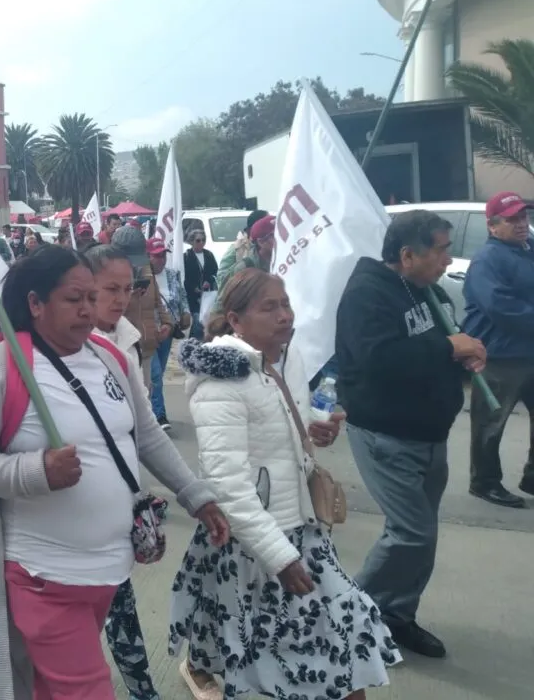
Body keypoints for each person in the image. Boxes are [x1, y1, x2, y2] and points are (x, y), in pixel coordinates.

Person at [0, 245, 228, 700]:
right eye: (75, 299)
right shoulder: (1, 367)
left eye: (92, 297)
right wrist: (36, 471)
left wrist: (196, 495)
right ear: (36, 304)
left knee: (50, 689)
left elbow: (147, 435)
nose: (89, 310)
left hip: (108, 572)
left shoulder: (108, 356)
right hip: (43, 576)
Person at [171, 268, 400, 700]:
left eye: (286, 304)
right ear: (236, 320)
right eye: (269, 307)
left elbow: (282, 417)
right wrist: (280, 557)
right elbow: (227, 485)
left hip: (301, 524)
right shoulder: (222, 382)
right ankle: (200, 666)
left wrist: (314, 426)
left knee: (339, 642)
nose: (283, 315)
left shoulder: (280, 357)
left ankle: (201, 663)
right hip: (258, 538)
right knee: (249, 629)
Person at [336, 209, 486, 658]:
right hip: (386, 433)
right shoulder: (367, 294)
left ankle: (395, 617)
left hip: (429, 432)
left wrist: (465, 352)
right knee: (411, 533)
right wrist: (446, 348)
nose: (448, 258)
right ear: (407, 254)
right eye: (441, 249)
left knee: (423, 536)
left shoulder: (428, 290)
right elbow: (378, 360)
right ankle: (345, 615)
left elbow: (446, 341)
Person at [86, 243, 162, 700]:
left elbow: (143, 426)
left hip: (123, 495)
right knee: (101, 606)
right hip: (80, 509)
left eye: (127, 288)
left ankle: (141, 689)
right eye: (108, 289)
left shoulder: (127, 338)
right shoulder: (59, 349)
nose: (120, 298)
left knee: (120, 601)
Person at [462, 191, 534, 507]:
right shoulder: (488, 260)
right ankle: (485, 482)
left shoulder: (527, 250)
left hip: (528, 351)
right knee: (491, 424)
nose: (521, 224)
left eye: (524, 217)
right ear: (492, 226)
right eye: (512, 219)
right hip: (498, 355)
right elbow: (500, 307)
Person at [113, 225, 172, 390]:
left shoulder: (147, 270)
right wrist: (130, 297)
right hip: (123, 345)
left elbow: (158, 301)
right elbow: (107, 312)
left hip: (147, 344)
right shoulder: (110, 276)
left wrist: (167, 323)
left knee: (148, 389)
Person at [148, 238, 190, 430]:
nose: (161, 259)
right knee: (155, 374)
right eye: (157, 256)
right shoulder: (143, 277)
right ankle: (160, 415)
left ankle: (149, 409)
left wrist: (186, 312)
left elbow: (182, 296)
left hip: (169, 330)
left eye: (163, 255)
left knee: (158, 374)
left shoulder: (173, 274)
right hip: (148, 332)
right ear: (148, 257)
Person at [216, 214, 275, 292]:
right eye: (275, 235)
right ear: (261, 242)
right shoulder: (245, 267)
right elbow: (223, 293)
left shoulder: (283, 261)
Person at [183, 228, 218, 339]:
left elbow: (214, 271)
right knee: (197, 319)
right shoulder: (186, 256)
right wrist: (194, 288)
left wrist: (209, 281)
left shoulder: (209, 255)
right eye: (198, 240)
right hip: (193, 296)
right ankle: (195, 341)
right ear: (192, 241)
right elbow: (184, 277)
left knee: (204, 319)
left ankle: (196, 341)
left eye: (203, 240)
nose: (201, 243)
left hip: (207, 294)